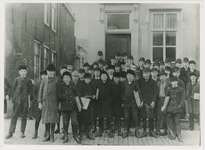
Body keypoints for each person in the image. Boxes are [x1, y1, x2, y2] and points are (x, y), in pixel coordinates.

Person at [5, 65, 33, 139]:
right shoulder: (17, 79)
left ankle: (22, 132)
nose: (23, 73)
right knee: (14, 116)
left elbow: (31, 91)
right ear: (19, 72)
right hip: (17, 101)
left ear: (26, 72)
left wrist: (30, 102)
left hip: (25, 101)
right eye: (21, 71)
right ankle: (10, 132)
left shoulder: (28, 80)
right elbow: (13, 89)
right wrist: (14, 99)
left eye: (24, 71)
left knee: (24, 117)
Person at [38, 64, 60, 142]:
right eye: (49, 71)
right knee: (46, 118)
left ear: (54, 72)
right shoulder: (44, 79)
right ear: (47, 72)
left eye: (52, 71)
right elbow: (40, 91)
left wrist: (59, 103)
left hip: (54, 102)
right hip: (45, 102)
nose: (51, 73)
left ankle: (52, 135)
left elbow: (59, 92)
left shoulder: (57, 80)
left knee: (53, 118)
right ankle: (47, 135)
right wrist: (39, 102)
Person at [58, 71, 81, 144]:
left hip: (72, 107)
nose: (66, 79)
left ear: (70, 78)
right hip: (64, 107)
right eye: (65, 78)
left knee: (74, 121)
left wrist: (79, 105)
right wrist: (64, 97)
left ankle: (75, 135)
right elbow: (58, 96)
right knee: (65, 122)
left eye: (68, 77)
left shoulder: (73, 85)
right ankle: (65, 135)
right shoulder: (61, 86)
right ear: (63, 79)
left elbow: (77, 94)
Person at [161, 76, 185, 142]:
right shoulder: (169, 89)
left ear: (177, 82)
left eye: (175, 81)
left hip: (178, 109)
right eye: (172, 82)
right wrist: (164, 106)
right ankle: (174, 134)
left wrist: (179, 106)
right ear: (171, 82)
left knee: (177, 121)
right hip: (170, 109)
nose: (173, 83)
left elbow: (183, 99)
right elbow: (167, 99)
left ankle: (179, 136)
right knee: (171, 122)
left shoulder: (181, 89)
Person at [121, 69, 143, 138]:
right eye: (128, 75)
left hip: (134, 103)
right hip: (126, 103)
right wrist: (123, 100)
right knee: (126, 117)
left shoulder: (136, 84)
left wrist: (141, 101)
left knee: (135, 117)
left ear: (133, 77)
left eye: (131, 75)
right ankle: (126, 130)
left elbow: (139, 92)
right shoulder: (124, 83)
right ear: (126, 76)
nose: (129, 77)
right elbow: (121, 93)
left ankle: (137, 131)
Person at [138, 68, 158, 138]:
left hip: (150, 102)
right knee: (143, 117)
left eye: (148, 73)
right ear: (143, 74)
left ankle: (151, 131)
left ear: (150, 74)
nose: (146, 75)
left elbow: (156, 92)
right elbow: (138, 92)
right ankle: (143, 131)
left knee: (151, 117)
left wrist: (153, 101)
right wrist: (140, 101)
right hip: (142, 102)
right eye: (145, 73)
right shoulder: (140, 81)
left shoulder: (153, 82)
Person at [95, 71, 113, 138]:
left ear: (107, 76)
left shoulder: (110, 84)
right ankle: (100, 131)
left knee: (109, 117)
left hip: (108, 103)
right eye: (102, 76)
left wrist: (110, 101)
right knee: (100, 117)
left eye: (105, 76)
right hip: (100, 103)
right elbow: (96, 93)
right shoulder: (98, 84)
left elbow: (112, 94)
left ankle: (110, 131)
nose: (104, 77)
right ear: (100, 77)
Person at [78, 73, 96, 142]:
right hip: (83, 104)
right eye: (87, 79)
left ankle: (89, 133)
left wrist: (93, 96)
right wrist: (83, 97)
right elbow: (78, 94)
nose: (88, 80)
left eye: (89, 79)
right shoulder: (81, 85)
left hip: (90, 105)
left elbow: (94, 93)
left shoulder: (92, 85)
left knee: (90, 119)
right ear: (84, 79)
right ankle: (81, 134)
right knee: (82, 120)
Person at [32, 70, 48, 139]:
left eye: (45, 75)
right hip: (39, 104)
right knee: (37, 119)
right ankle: (35, 132)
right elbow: (34, 93)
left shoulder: (48, 83)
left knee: (46, 119)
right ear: (41, 76)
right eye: (43, 75)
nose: (44, 76)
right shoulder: (38, 83)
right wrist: (38, 101)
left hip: (46, 104)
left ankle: (46, 132)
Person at [155, 71, 170, 136]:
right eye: (160, 76)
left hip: (166, 100)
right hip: (159, 100)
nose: (162, 78)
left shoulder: (169, 83)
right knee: (158, 116)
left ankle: (166, 131)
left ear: (166, 76)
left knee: (166, 116)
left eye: (163, 76)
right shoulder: (158, 84)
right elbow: (156, 93)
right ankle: (157, 130)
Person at [55, 65, 67, 134]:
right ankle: (58, 128)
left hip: (65, 99)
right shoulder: (58, 79)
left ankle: (64, 129)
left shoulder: (68, 78)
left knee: (65, 115)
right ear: (60, 71)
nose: (63, 72)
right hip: (59, 98)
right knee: (58, 114)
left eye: (64, 71)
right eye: (62, 70)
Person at [110, 72, 123, 136]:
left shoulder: (121, 85)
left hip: (119, 103)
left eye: (118, 78)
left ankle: (119, 129)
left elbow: (122, 94)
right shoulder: (111, 84)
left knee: (118, 116)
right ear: (113, 78)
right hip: (112, 103)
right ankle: (112, 129)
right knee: (112, 116)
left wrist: (122, 102)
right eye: (116, 78)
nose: (117, 79)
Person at [91, 67, 101, 133]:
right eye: (95, 72)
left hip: (100, 100)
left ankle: (100, 128)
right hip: (93, 100)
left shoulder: (102, 79)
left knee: (100, 114)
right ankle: (93, 127)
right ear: (94, 73)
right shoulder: (92, 80)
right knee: (93, 114)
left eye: (98, 71)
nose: (97, 73)